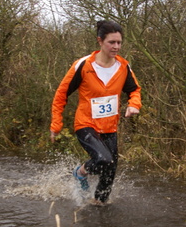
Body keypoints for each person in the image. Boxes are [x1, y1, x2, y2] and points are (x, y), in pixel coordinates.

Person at [50, 20, 142, 205]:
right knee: (104, 160)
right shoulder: (83, 65)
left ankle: (98, 205)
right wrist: (56, 124)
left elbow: (134, 90)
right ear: (100, 41)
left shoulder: (123, 67)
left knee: (110, 172)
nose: (116, 47)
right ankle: (79, 173)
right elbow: (61, 94)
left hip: (109, 127)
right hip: (86, 124)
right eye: (111, 42)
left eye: (119, 42)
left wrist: (134, 104)